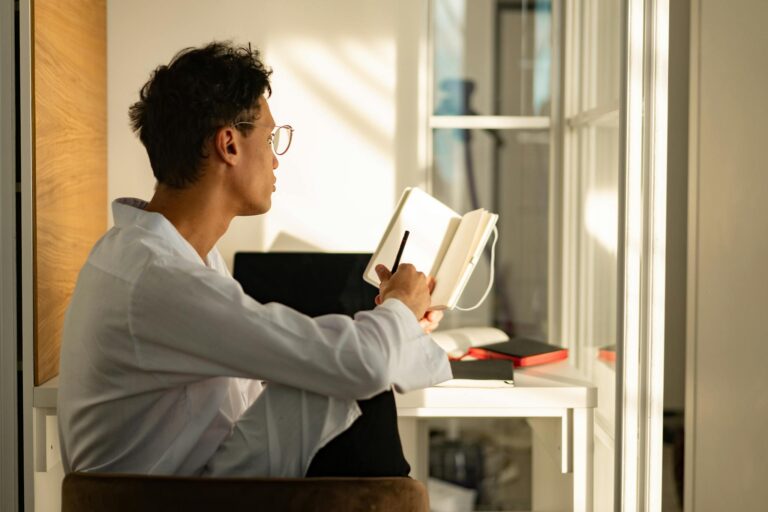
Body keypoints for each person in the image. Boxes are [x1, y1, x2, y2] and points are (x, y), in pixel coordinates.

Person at [57, 41, 452, 479]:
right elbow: (361, 364)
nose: (276, 159)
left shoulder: (164, 255)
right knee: (360, 377)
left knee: (352, 370)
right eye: (270, 137)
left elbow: (285, 363)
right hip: (165, 502)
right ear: (229, 144)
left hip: (188, 480)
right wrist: (398, 308)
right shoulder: (160, 278)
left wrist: (400, 322)